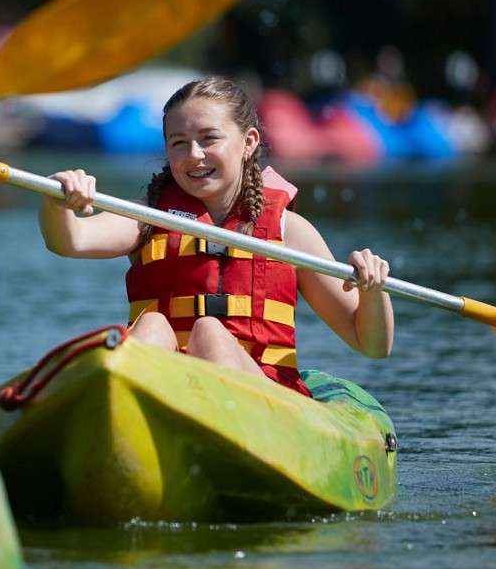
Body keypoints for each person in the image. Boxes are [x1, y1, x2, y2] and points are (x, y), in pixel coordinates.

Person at [39, 77, 392, 396]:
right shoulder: (148, 215)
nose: (194, 155)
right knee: (152, 325)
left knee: (209, 332)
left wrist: (373, 292)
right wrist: (59, 201)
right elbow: (71, 241)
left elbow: (372, 344)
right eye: (179, 143)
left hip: (265, 400)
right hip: (169, 392)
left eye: (209, 138)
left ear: (248, 142)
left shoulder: (289, 230)